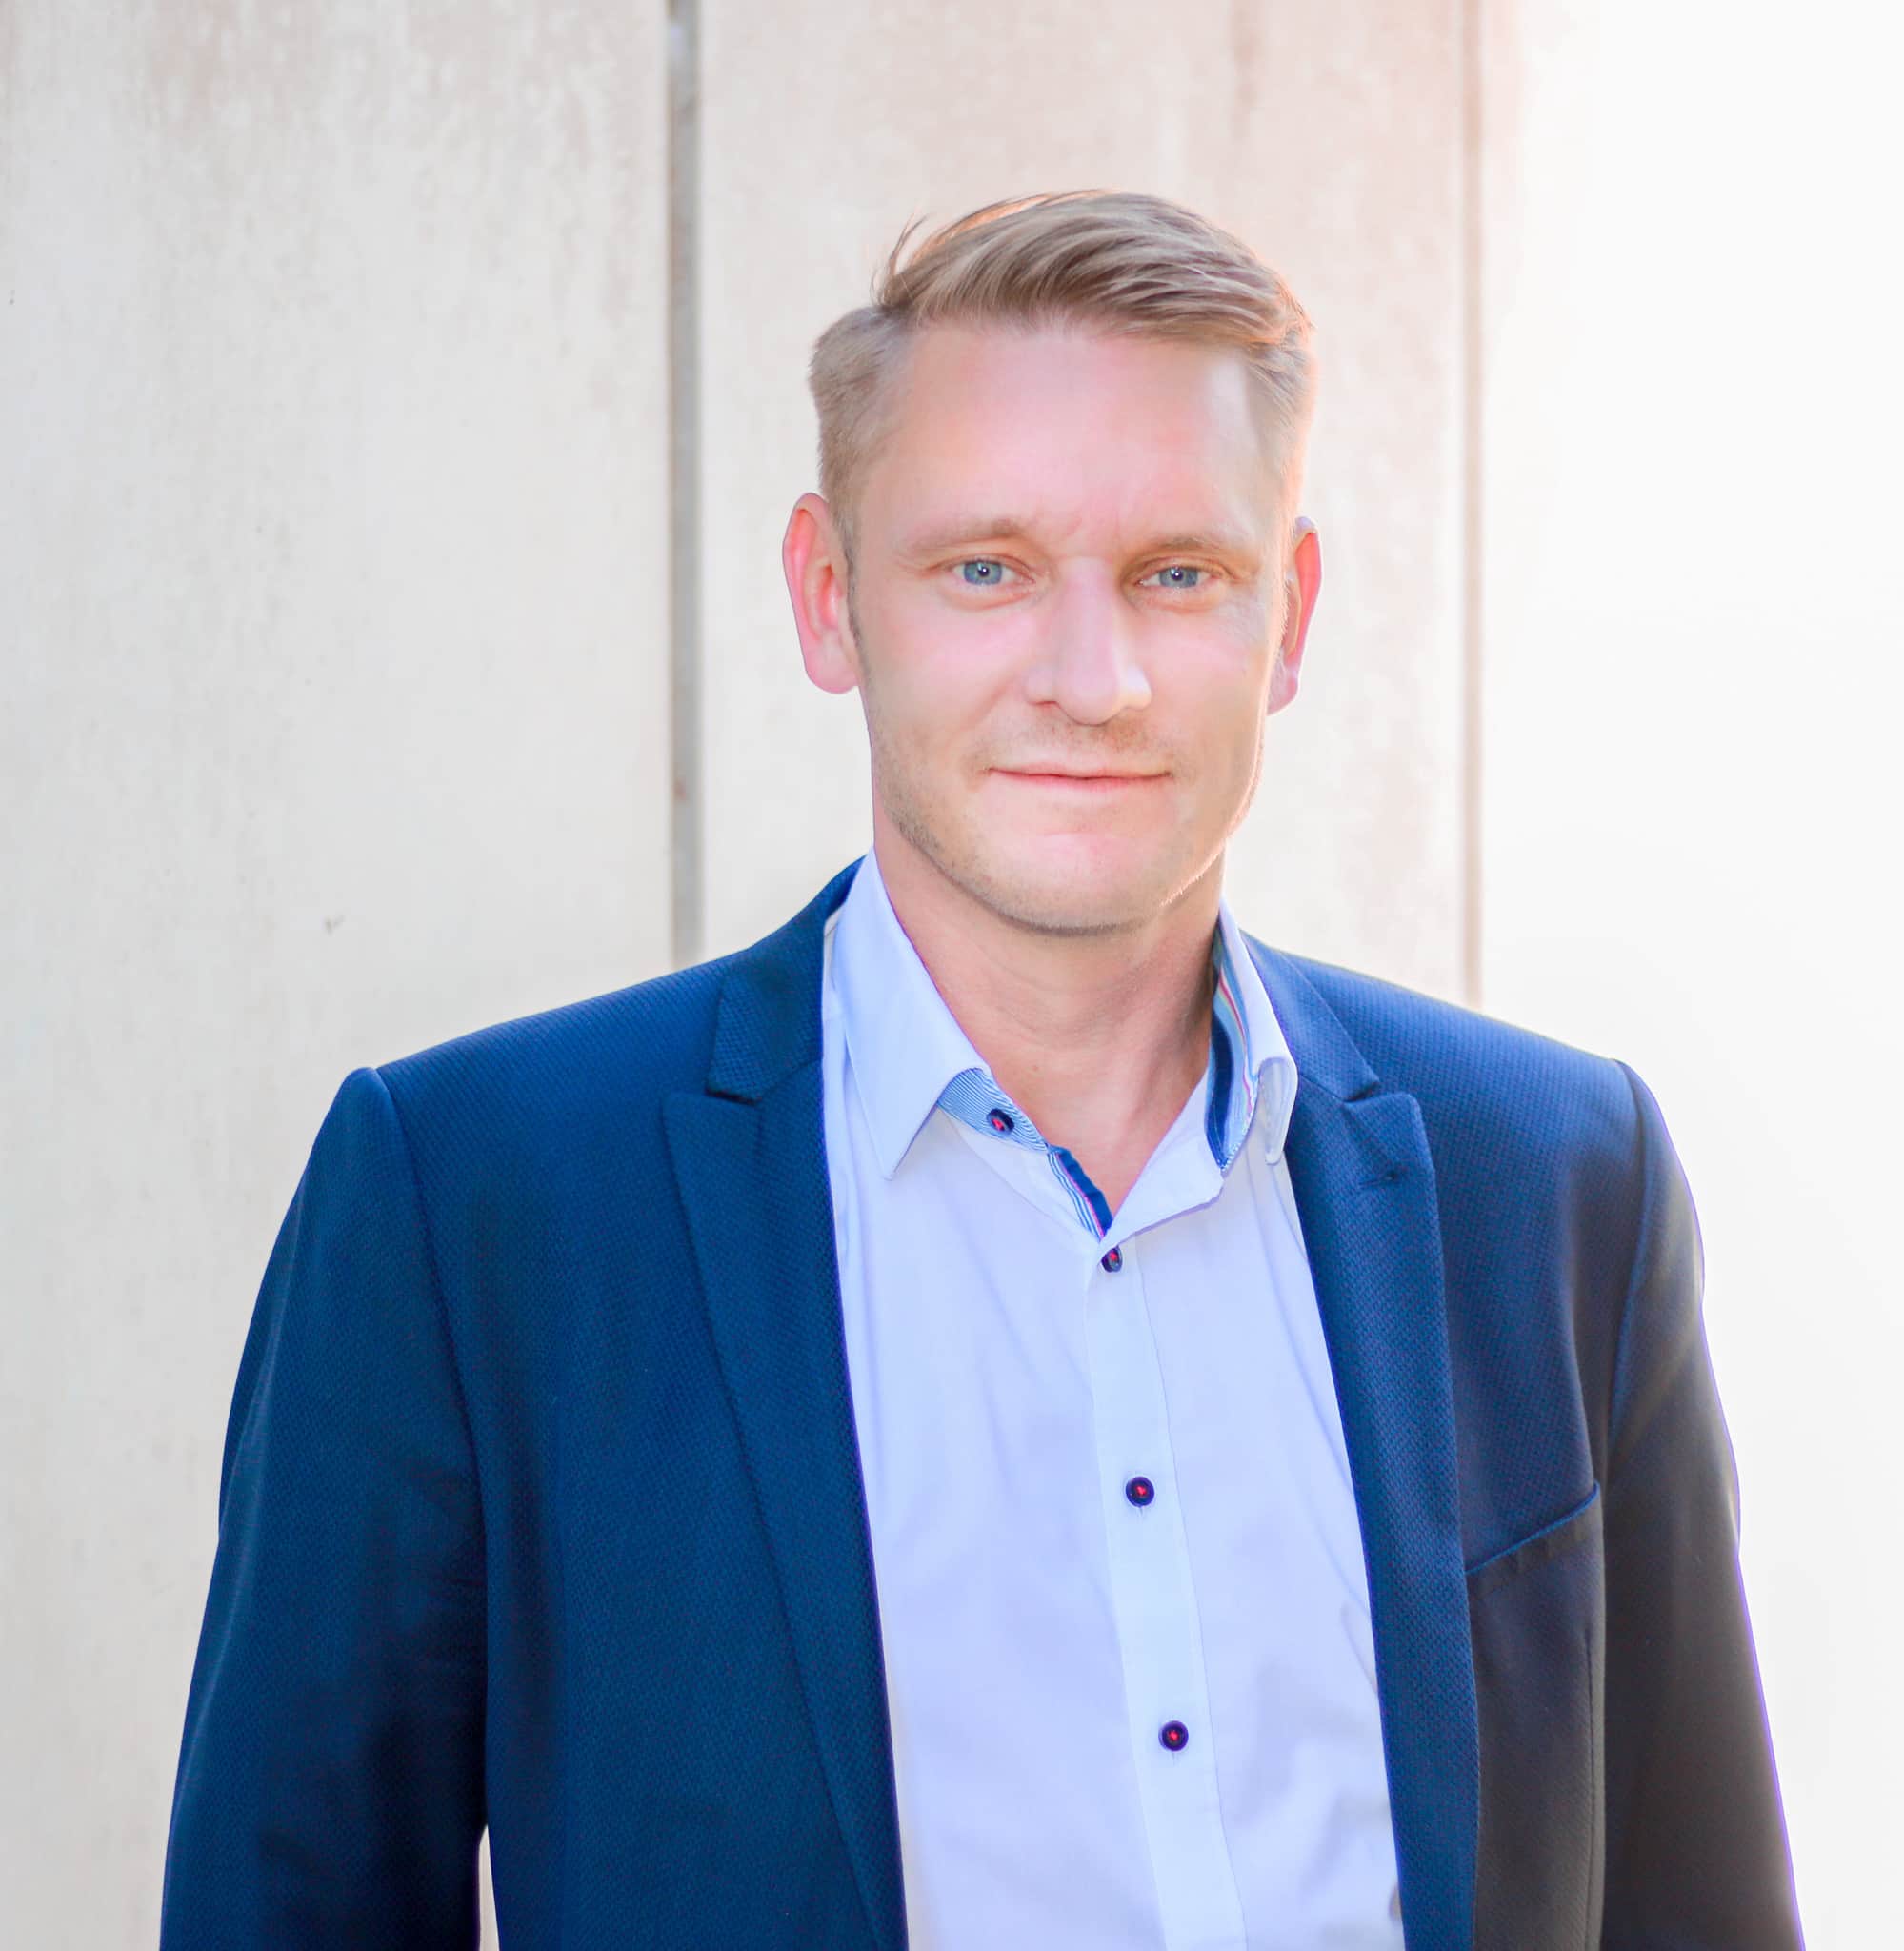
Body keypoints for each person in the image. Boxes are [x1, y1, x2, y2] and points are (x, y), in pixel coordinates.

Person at [158, 190, 1801, 1949]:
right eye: (987, 570)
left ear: (1292, 612)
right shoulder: (470, 1202)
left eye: (1180, 573)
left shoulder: (1558, 1180)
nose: (1093, 680)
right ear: (829, 598)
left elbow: (1701, 1911)